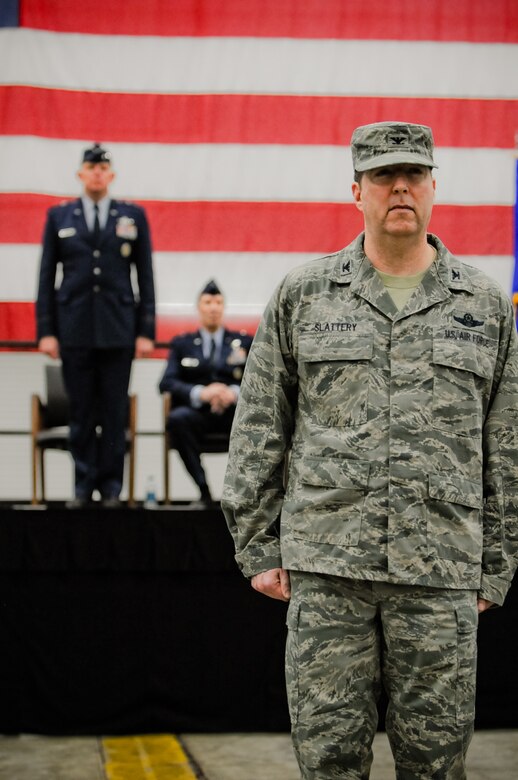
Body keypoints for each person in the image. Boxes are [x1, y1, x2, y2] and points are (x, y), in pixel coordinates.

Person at [222, 122, 518, 778]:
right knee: (329, 763)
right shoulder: (303, 297)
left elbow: (507, 443)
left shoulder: (486, 306)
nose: (400, 186)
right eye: (384, 175)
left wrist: (495, 565)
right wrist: (257, 548)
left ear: (435, 187)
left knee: (437, 765)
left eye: (414, 173)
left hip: (439, 573)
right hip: (328, 573)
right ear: (357, 191)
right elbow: (260, 426)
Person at [36, 143, 155, 507]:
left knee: (114, 412)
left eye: (103, 168)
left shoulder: (132, 216)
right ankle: (83, 485)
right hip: (74, 330)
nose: (97, 173)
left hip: (118, 330)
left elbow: (145, 275)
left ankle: (112, 488)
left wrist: (146, 330)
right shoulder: (60, 217)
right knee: (82, 412)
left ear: (111, 175)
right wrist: (46, 330)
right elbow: (46, 276)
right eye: (91, 168)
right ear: (81, 174)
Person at [159, 280, 252, 508]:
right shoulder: (183, 344)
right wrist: (201, 392)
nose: (213, 308)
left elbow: (260, 382)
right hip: (198, 414)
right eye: (208, 302)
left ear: (223, 307)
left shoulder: (243, 342)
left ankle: (242, 497)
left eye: (218, 303)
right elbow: (166, 383)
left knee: (258, 426)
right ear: (199, 307)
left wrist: (234, 392)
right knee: (177, 420)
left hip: (233, 416)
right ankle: (204, 490)